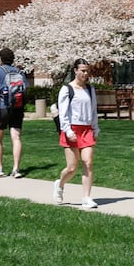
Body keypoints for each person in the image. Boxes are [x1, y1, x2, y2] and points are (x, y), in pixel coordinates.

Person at [51, 59, 99, 210]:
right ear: (75, 71)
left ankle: (86, 197)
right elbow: (63, 112)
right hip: (71, 130)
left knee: (88, 163)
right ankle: (60, 184)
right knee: (72, 167)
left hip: (87, 130)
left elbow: (93, 111)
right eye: (82, 70)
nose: (85, 73)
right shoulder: (67, 89)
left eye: (87, 71)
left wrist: (95, 128)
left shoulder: (90, 90)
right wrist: (68, 130)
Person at [0, 47, 25, 177]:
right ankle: (16, 169)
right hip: (17, 107)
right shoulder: (19, 71)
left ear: (1, 58)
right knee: (16, 137)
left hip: (2, 107)